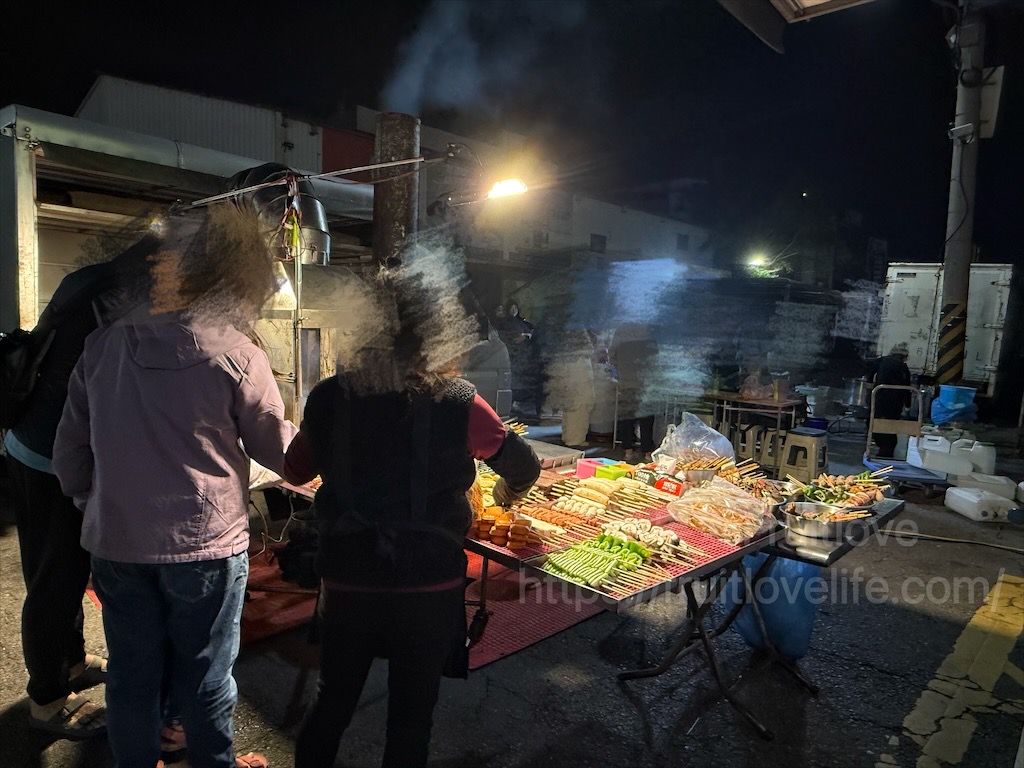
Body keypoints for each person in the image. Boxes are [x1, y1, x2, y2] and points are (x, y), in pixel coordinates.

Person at [53, 206, 294, 768]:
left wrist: (96, 503)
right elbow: (278, 452)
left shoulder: (102, 346)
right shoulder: (237, 354)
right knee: (206, 675)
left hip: (116, 541)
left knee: (133, 675)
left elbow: (70, 456)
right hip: (205, 546)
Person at [283, 265, 541, 768]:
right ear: (435, 330)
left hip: (348, 578)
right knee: (410, 718)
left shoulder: (330, 395)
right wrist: (508, 493)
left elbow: (295, 469)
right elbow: (523, 465)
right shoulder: (457, 398)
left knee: (332, 703)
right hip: (427, 585)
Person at [2, 234, 156, 740]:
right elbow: (116, 385)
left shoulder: (89, 279)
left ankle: (69, 662)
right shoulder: (118, 302)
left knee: (52, 568)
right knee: (57, 578)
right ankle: (46, 697)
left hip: (27, 442)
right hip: (53, 455)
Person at [609, 322, 658, 462]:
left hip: (626, 382)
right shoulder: (648, 330)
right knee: (646, 420)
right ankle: (648, 452)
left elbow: (612, 355)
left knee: (627, 419)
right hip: (645, 383)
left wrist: (622, 369)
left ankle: (628, 451)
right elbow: (654, 357)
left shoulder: (621, 330)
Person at [545, 328, 596, 448]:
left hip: (568, 368)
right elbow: (588, 348)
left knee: (571, 405)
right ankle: (575, 439)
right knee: (580, 406)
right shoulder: (578, 330)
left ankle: (568, 435)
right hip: (578, 369)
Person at [870, 341, 912, 458]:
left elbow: (870, 371)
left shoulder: (882, 360)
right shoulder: (903, 367)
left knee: (876, 421)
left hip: (879, 397)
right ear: (904, 356)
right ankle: (887, 450)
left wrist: (869, 382)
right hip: (895, 401)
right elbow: (907, 387)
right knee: (891, 424)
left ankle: (880, 446)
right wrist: (908, 405)